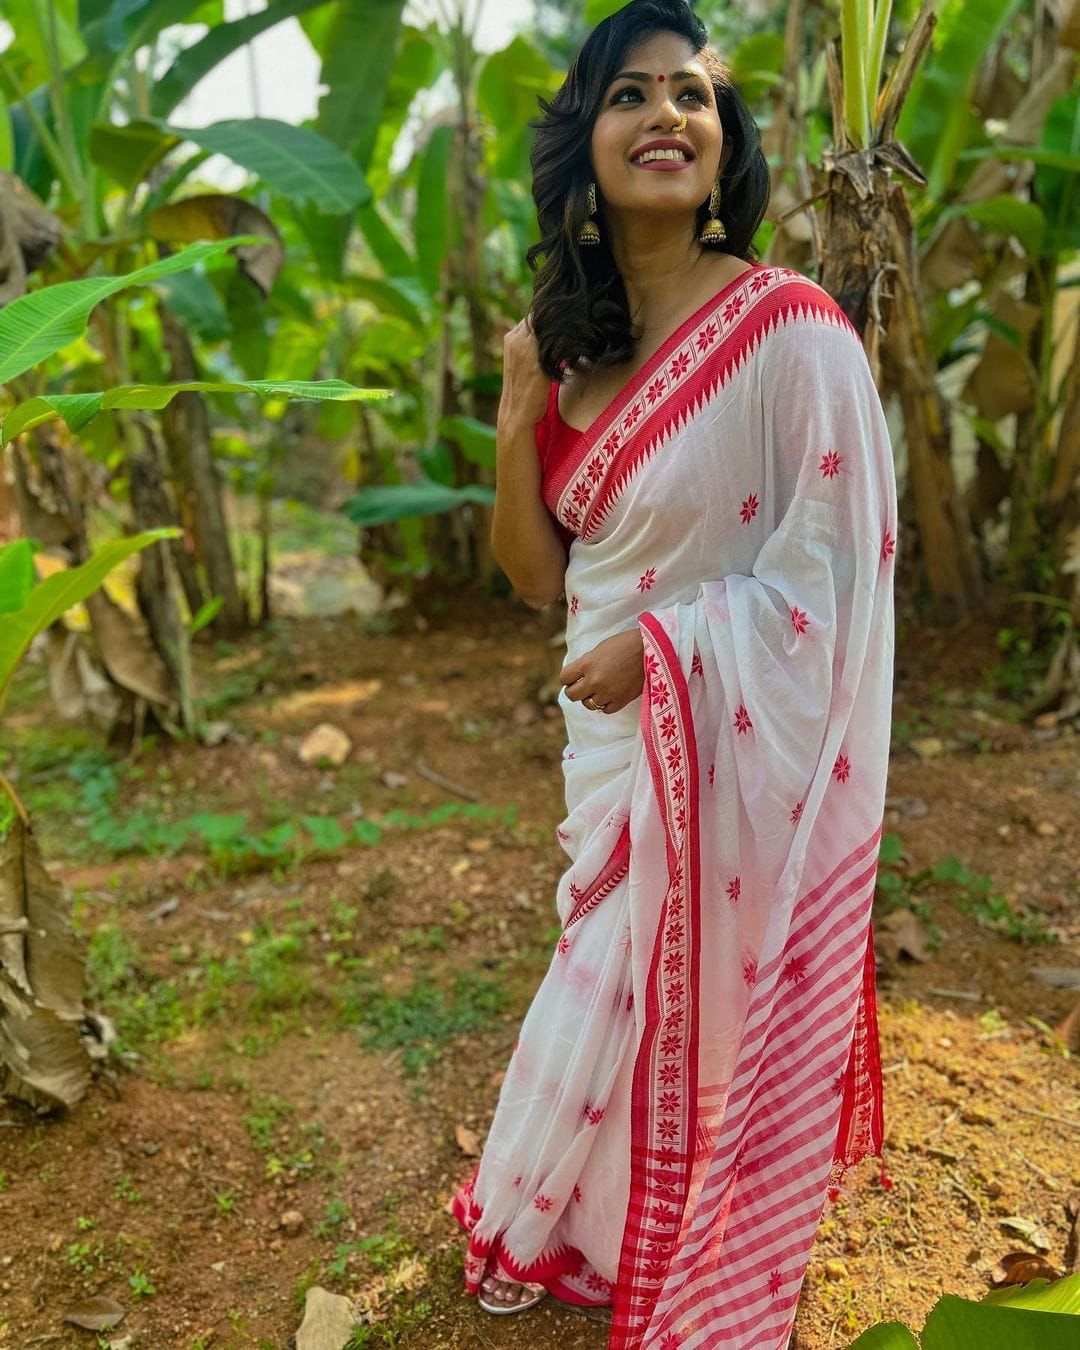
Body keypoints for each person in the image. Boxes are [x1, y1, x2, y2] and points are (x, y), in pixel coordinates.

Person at [451, 3, 897, 1346]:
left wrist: (665, 654)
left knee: (674, 993)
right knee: (611, 988)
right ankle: (602, 1228)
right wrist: (523, 410)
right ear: (584, 140)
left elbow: (834, 582)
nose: (667, 117)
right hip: (613, 762)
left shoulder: (792, 331)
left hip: (702, 734)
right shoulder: (573, 348)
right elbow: (537, 575)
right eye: (632, 94)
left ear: (726, 143)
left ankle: (715, 1236)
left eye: (695, 97)